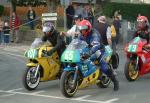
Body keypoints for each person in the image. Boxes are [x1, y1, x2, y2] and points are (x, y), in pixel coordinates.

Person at [78, 20, 119, 91]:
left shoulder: (94, 34)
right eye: (81, 30)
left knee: (104, 68)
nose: (82, 31)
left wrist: (89, 53)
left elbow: (96, 46)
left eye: (84, 29)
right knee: (79, 60)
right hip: (88, 49)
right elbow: (77, 43)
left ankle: (115, 81)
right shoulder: (81, 34)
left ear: (88, 28)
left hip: (99, 50)